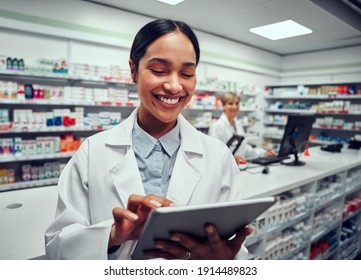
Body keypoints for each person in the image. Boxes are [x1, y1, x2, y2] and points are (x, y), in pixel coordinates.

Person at [45, 19, 252, 260]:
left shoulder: (218, 157)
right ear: (133, 70)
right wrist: (111, 238)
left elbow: (237, 250)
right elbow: (57, 248)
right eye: (159, 71)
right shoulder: (93, 152)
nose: (174, 86)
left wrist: (220, 261)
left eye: (186, 73)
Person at [208, 92, 276, 164]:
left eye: (237, 103)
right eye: (230, 103)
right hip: (225, 170)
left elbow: (244, 149)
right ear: (223, 106)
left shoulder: (238, 125)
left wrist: (264, 153)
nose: (235, 107)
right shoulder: (217, 126)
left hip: (240, 168)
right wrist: (231, 158)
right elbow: (213, 153)